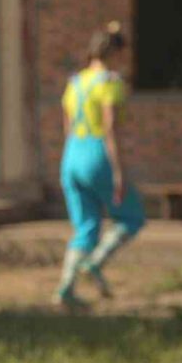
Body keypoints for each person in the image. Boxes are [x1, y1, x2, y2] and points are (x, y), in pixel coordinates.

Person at [55, 21, 146, 307]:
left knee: (85, 227)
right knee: (131, 217)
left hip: (71, 157)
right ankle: (94, 263)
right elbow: (110, 130)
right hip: (97, 156)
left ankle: (65, 290)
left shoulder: (75, 82)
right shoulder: (110, 83)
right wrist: (118, 172)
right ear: (116, 53)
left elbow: (66, 126)